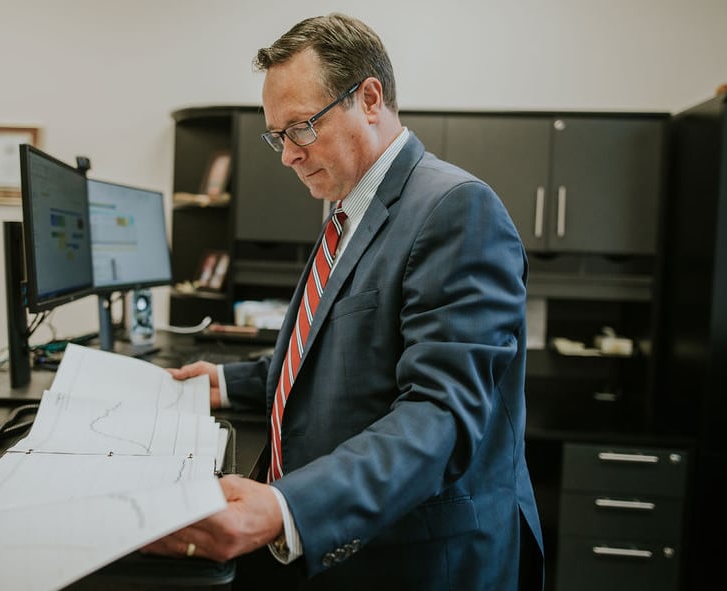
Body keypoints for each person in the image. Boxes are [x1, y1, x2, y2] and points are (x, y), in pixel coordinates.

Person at [142, 12, 544, 590]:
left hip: (422, 562)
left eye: (301, 127)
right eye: (277, 135)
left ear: (371, 98)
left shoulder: (456, 208)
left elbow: (440, 416)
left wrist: (287, 509)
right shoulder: (350, 206)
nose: (288, 154)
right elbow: (339, 351)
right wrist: (229, 382)